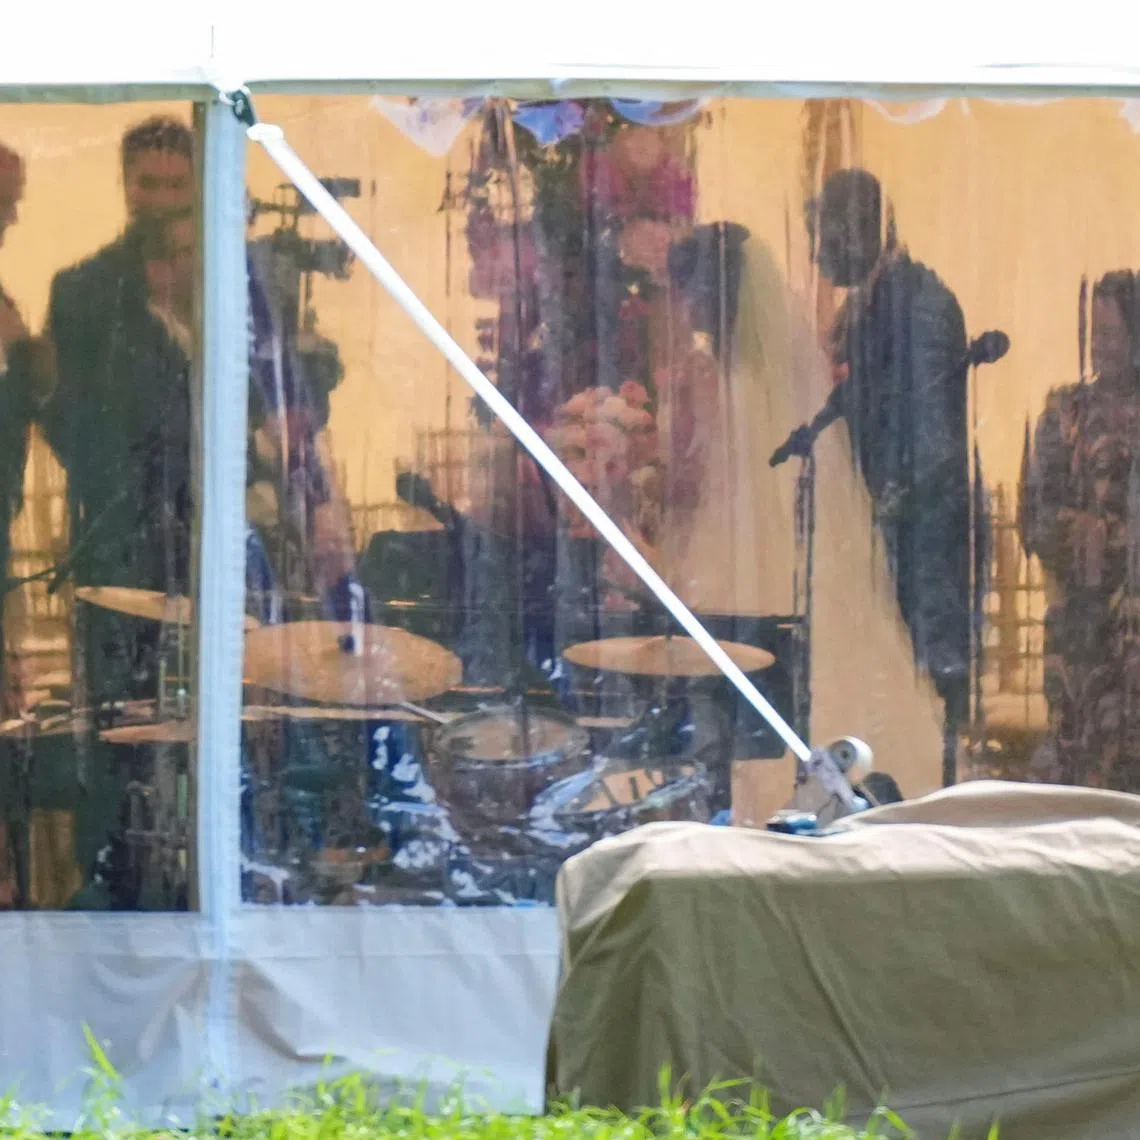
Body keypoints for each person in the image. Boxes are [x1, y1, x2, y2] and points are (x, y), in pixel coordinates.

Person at [782, 168, 972, 766]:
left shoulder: (921, 303)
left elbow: (936, 430)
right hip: (885, 526)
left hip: (922, 537)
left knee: (924, 676)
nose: (817, 255)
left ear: (858, 229)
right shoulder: (879, 300)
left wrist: (888, 508)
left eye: (824, 237)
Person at [1020, 271, 1140, 791]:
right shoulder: (1065, 411)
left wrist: (1111, 537)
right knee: (1077, 752)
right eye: (1094, 333)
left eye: (1111, 333)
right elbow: (1035, 510)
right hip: (1081, 620)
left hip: (1131, 618)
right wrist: (1076, 532)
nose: (1099, 347)